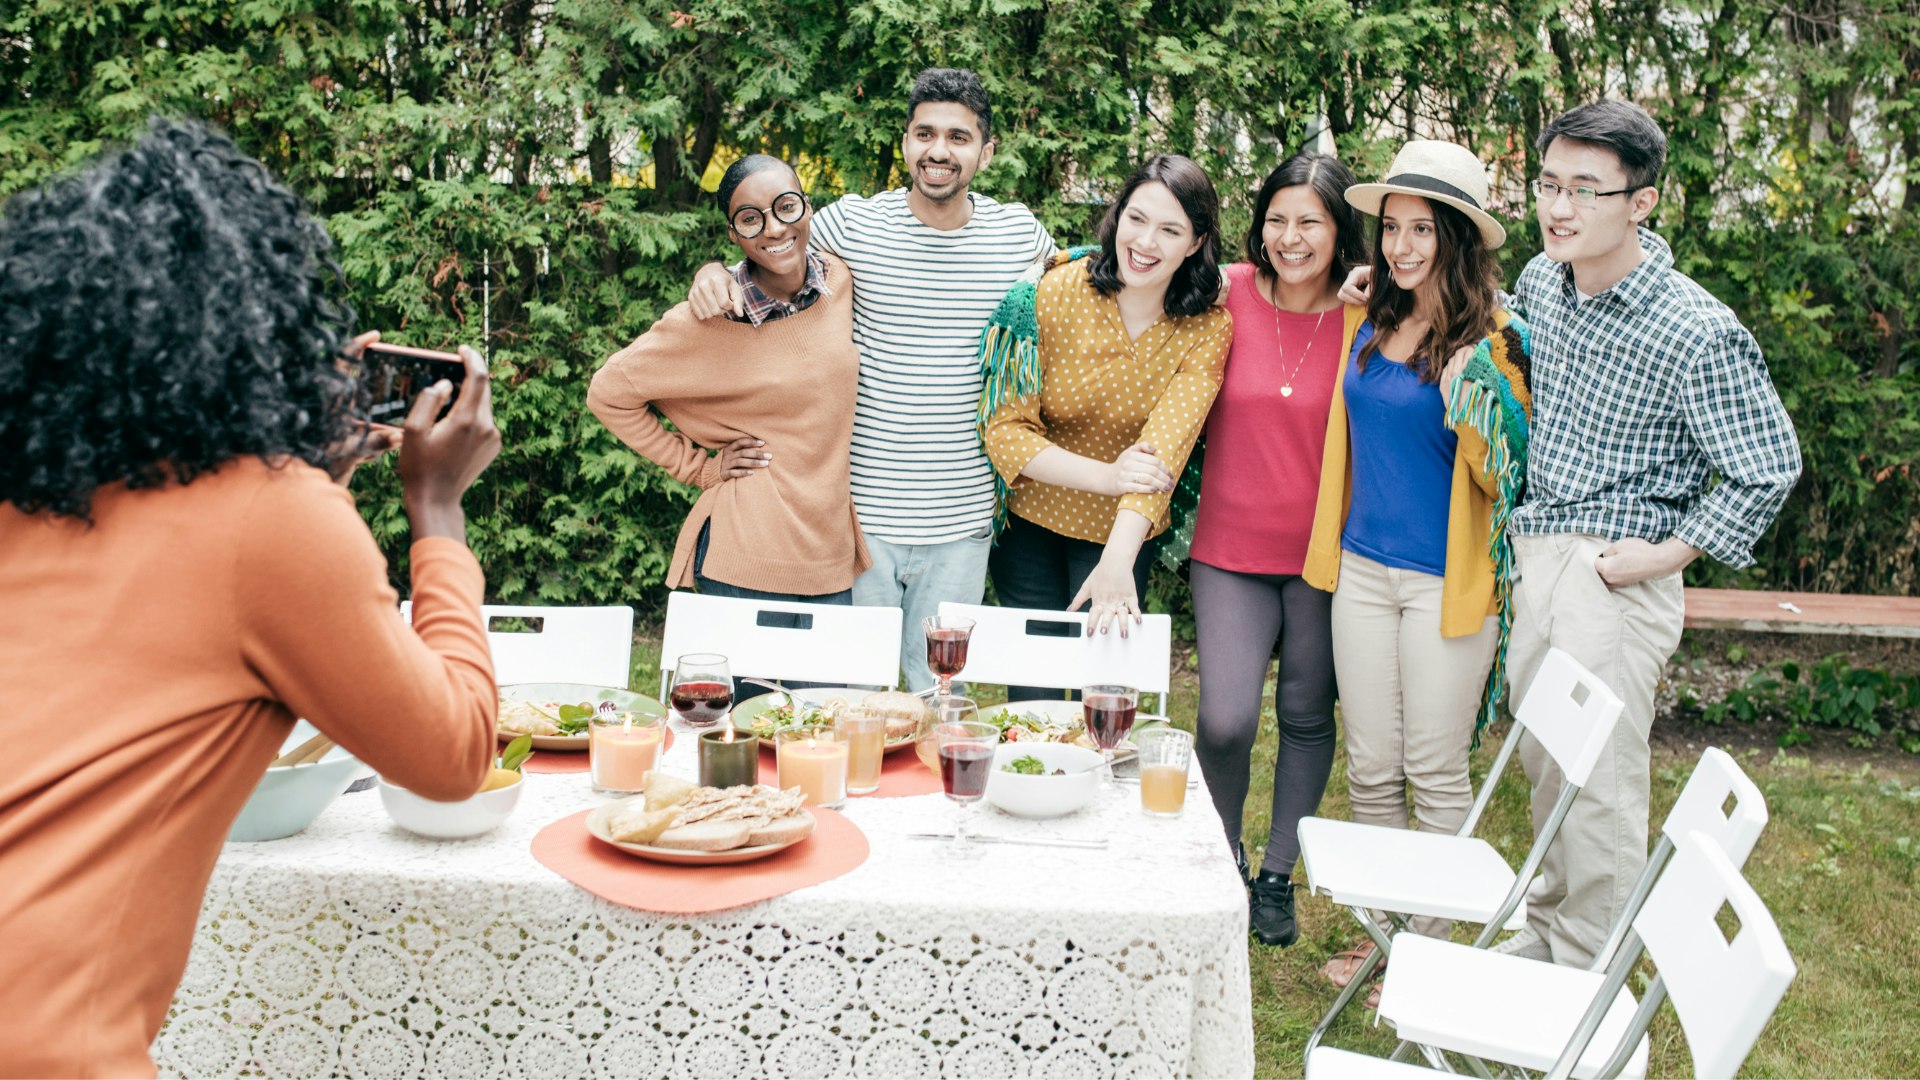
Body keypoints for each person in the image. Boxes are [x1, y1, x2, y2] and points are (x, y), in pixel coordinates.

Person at [0, 119, 502, 1078]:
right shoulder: (270, 520)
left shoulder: (32, 491)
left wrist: (315, 477)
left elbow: (192, 625)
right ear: (258, 327)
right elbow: (451, 756)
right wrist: (436, 510)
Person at [1493, 102, 1800, 966]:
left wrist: (1673, 553)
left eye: (1586, 190)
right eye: (1550, 184)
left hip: (1613, 578)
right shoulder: (1543, 285)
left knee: (1601, 786)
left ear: (1642, 203)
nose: (1560, 207)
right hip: (1535, 556)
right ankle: (1551, 934)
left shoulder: (1694, 329)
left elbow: (1768, 462)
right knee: (1547, 765)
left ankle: (1592, 979)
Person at [688, 68, 1056, 692]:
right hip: (858, 517)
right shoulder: (853, 226)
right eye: (925, 133)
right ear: (907, 140)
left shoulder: (1018, 234)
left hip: (961, 522)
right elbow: (773, 246)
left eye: (959, 138)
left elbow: (1079, 284)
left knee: (939, 694)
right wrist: (712, 269)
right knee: (848, 698)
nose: (939, 150)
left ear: (986, 151)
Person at [1302, 140, 1526, 992]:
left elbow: (1505, 482)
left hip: (1445, 584)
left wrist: (1480, 400)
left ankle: (1436, 949)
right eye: (1391, 227)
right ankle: (1384, 935)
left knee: (1434, 771)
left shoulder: (1498, 341)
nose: (1400, 246)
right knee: (1370, 766)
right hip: (1362, 572)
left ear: (1457, 238)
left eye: (1420, 229)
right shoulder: (1372, 315)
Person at [1188, 152, 1368, 948]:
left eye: (1311, 222)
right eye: (1277, 219)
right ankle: (1219, 860)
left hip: (1326, 555)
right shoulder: (1223, 291)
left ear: (1339, 233)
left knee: (1303, 712)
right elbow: (1133, 274)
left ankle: (1275, 875)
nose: (1291, 238)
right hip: (1229, 548)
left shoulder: (1370, 311)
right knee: (1224, 720)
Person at [981, 154, 1232, 700]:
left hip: (1124, 534)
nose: (1146, 242)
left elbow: (1165, 449)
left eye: (1171, 230)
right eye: (1136, 219)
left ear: (1195, 242)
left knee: (1107, 699)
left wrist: (1117, 559)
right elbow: (1005, 432)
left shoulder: (1207, 327)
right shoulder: (1054, 293)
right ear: (1117, 216)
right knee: (1036, 700)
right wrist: (1109, 476)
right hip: (1029, 526)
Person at [589, 154, 868, 609]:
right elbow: (608, 394)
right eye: (751, 219)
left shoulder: (838, 281)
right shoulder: (710, 319)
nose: (774, 228)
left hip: (829, 553)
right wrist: (699, 468)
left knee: (830, 684)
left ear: (808, 207)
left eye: (786, 207)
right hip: (746, 554)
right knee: (752, 686)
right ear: (733, 234)